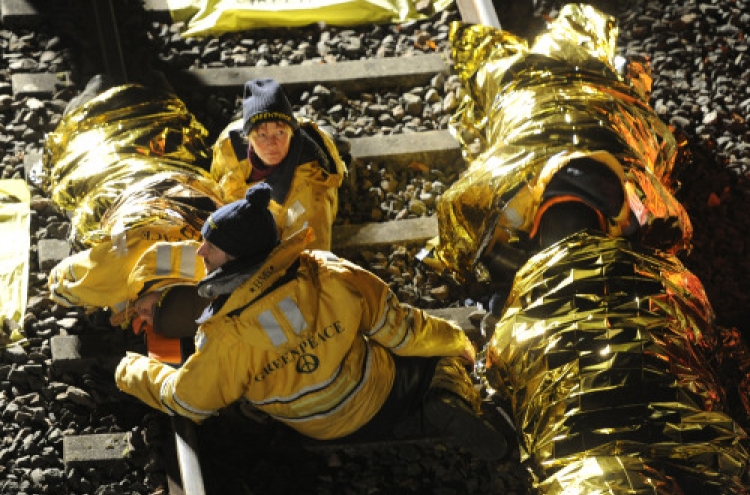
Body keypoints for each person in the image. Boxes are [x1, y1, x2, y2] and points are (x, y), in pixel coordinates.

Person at [115, 183, 509, 460]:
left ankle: (438, 399)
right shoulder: (327, 273)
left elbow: (187, 400)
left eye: (211, 246)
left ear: (237, 260)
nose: (201, 250)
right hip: (374, 389)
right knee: (438, 354)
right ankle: (449, 398)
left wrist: (132, 370)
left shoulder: (225, 333)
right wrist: (456, 340)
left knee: (236, 387)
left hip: (315, 424)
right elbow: (401, 328)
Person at [210, 78, 347, 251]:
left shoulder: (313, 184)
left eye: (280, 132)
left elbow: (310, 256)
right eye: (261, 135)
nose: (272, 144)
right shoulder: (228, 145)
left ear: (292, 131)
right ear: (248, 137)